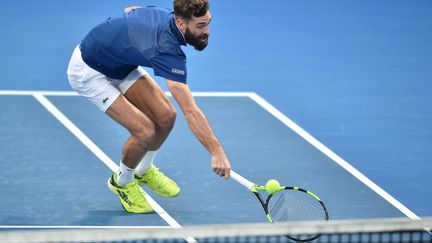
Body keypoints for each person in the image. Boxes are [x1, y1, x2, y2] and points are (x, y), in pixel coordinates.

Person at [66, 0, 231, 214]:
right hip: (89, 71)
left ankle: (143, 171)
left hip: (119, 64)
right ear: (180, 23)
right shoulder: (166, 48)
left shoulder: (164, 14)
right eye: (200, 26)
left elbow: (131, 10)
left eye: (208, 23)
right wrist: (216, 151)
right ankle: (122, 182)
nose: (207, 31)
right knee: (144, 131)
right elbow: (190, 110)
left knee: (166, 116)